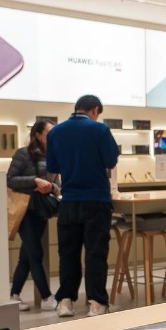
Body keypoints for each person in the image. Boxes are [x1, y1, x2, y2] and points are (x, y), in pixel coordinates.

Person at [47, 95, 119, 317]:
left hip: (68, 202)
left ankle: (66, 302)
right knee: (95, 254)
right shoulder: (100, 130)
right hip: (96, 201)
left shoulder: (55, 132)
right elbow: (111, 161)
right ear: (95, 110)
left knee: (67, 253)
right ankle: (96, 303)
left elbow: (53, 167)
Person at [7, 120, 59, 312]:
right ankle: (46, 297)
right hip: (25, 211)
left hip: (42, 210)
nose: (53, 136)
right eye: (49, 132)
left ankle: (14, 295)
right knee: (36, 254)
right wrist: (34, 180)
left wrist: (51, 187)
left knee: (27, 256)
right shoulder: (23, 154)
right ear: (38, 135)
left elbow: (57, 184)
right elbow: (10, 179)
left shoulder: (54, 155)